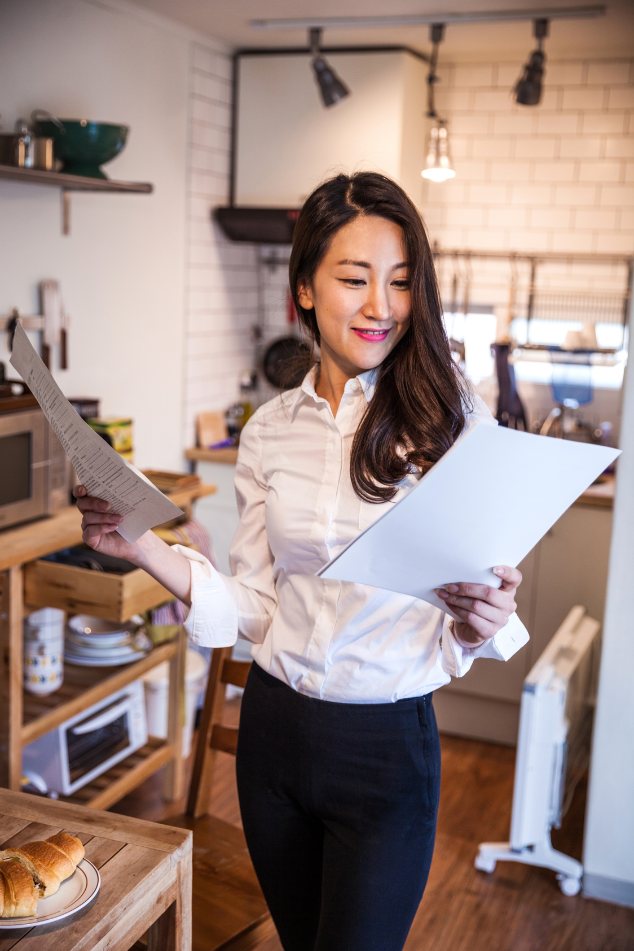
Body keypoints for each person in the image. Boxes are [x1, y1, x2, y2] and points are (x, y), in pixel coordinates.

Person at [75, 172, 528, 951]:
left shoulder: (452, 421)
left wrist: (484, 617)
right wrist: (141, 545)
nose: (381, 305)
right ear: (306, 289)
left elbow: (477, 602)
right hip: (274, 737)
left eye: (400, 282)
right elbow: (254, 602)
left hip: (386, 750)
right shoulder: (269, 430)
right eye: (355, 279)